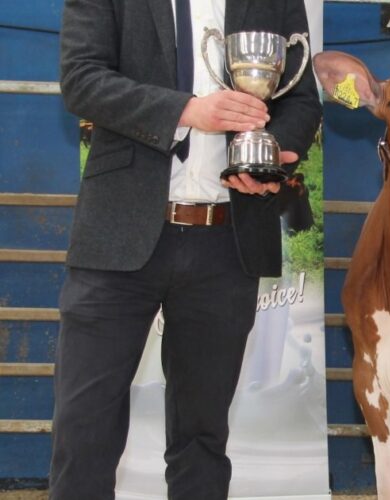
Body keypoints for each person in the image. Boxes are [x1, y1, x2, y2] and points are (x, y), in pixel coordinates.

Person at [51, 0, 321, 498]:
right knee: (84, 427)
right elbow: (81, 79)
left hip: (227, 241)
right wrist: (187, 111)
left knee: (202, 435)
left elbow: (301, 100)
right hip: (118, 235)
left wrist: (270, 155)